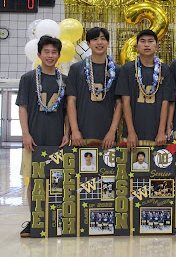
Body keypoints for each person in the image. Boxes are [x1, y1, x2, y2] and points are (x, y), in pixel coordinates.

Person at [17, 35, 70, 237]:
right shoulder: (28, 79)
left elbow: (67, 111)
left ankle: (58, 218)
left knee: (58, 180)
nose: (50, 55)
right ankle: (34, 219)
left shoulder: (64, 81)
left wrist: (67, 134)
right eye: (46, 52)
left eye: (53, 52)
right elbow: (22, 107)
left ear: (59, 55)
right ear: (39, 54)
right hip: (34, 139)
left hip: (58, 140)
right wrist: (26, 134)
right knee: (34, 181)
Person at [67, 27, 122, 149]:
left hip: (108, 137)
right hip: (81, 136)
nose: (99, 42)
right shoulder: (76, 69)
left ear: (108, 43)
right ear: (88, 43)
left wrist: (112, 131)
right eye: (95, 39)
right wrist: (74, 131)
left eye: (103, 39)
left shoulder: (117, 70)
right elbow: (71, 101)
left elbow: (120, 104)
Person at [116, 29, 171, 149]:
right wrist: (130, 132)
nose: (146, 44)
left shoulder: (165, 70)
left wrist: (161, 131)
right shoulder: (127, 69)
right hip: (132, 136)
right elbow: (125, 102)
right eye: (143, 41)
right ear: (137, 46)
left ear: (157, 46)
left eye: (150, 41)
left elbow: (165, 102)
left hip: (157, 136)